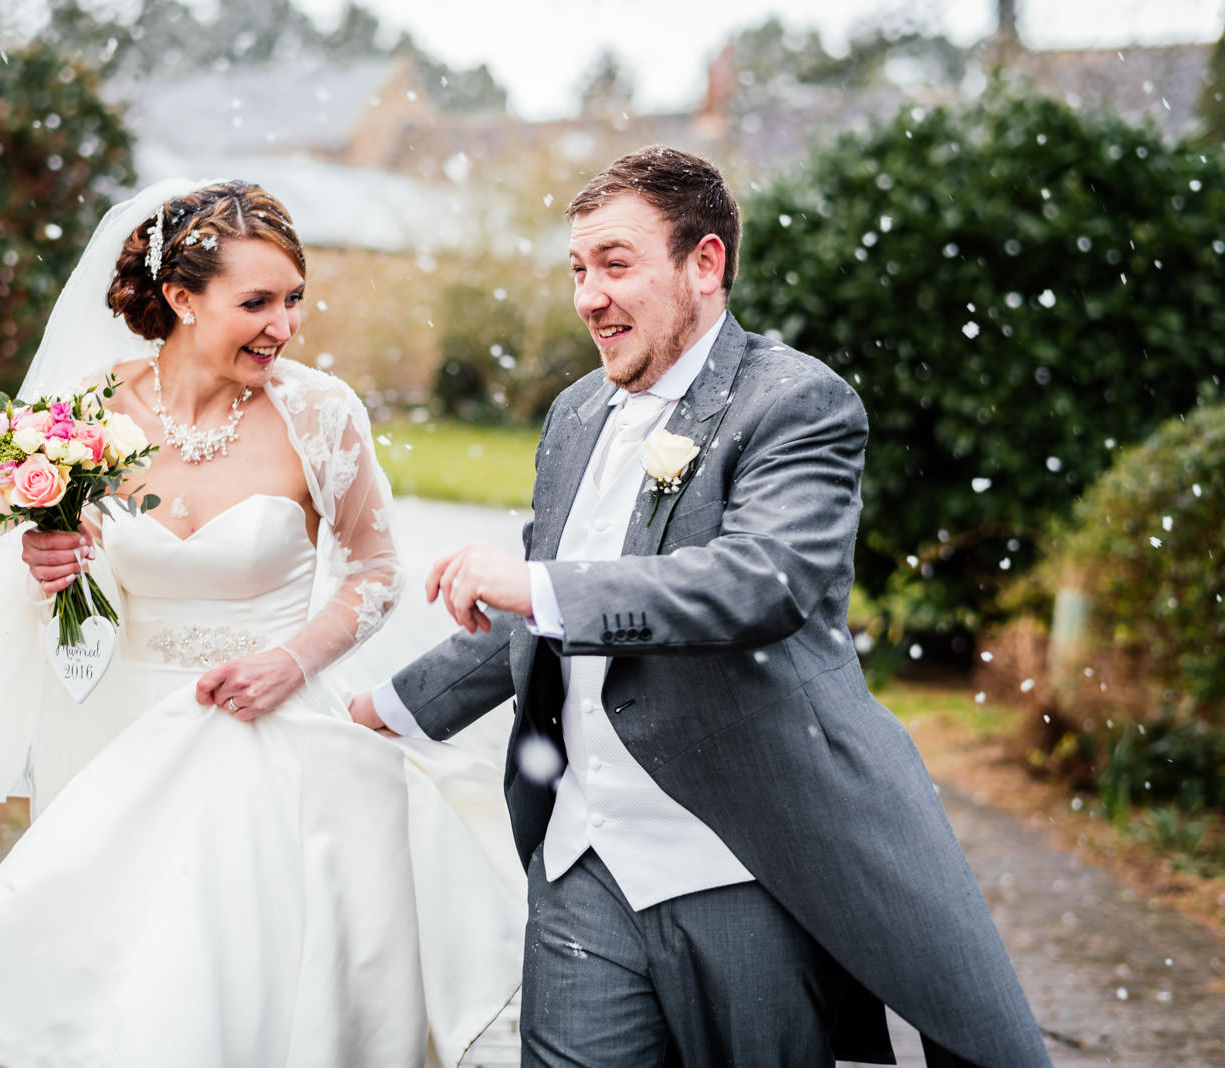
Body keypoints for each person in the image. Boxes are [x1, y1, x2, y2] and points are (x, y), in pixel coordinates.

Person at [350, 146, 1052, 1067]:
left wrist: (539, 584)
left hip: (741, 852)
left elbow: (759, 582)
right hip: (578, 865)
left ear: (706, 264)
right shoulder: (572, 418)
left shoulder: (796, 401)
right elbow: (543, 620)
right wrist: (384, 712)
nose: (588, 297)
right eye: (576, 270)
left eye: (615, 263)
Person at [0, 178, 523, 1067]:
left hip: (270, 736)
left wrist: (289, 662)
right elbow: (61, 574)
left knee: (242, 984)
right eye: (255, 303)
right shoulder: (85, 415)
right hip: (113, 731)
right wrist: (46, 564)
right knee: (120, 992)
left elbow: (375, 571)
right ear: (179, 297)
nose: (282, 326)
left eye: (293, 301)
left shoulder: (321, 415)